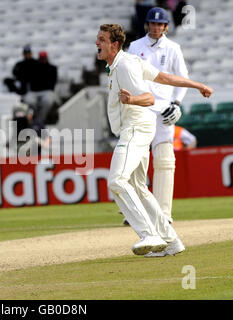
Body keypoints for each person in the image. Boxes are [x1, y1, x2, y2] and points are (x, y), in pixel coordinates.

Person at [96, 24, 213, 257]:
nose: (96, 43)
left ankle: (149, 234)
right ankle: (172, 241)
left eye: (102, 39)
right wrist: (197, 85)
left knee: (117, 180)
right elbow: (164, 77)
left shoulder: (125, 65)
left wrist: (132, 101)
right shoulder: (126, 63)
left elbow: (149, 98)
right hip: (140, 128)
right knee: (139, 188)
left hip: (136, 128)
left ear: (115, 44)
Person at [128, 7, 189, 223]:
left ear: (165, 26)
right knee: (136, 159)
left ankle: (163, 214)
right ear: (147, 25)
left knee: (164, 161)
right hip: (141, 109)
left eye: (159, 24)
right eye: (152, 24)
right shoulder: (135, 47)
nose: (155, 28)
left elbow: (182, 78)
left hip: (164, 110)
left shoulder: (173, 48)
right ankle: (136, 211)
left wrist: (176, 103)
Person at [22, 51, 58, 124]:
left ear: (47, 58)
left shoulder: (52, 68)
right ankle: (34, 117)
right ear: (39, 59)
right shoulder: (33, 68)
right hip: (34, 91)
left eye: (44, 58)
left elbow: (53, 83)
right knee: (29, 101)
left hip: (47, 91)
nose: (43, 60)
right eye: (41, 58)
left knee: (47, 101)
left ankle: (40, 120)